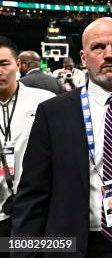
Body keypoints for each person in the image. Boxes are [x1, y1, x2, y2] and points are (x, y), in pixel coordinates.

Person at [12, 18, 112, 258]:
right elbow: (33, 195)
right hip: (76, 245)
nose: (108, 55)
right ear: (83, 57)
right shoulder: (52, 113)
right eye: (98, 47)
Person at [0, 37, 54, 251]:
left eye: (4, 64)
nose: (0, 71)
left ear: (18, 65)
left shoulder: (44, 101)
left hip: (36, 208)